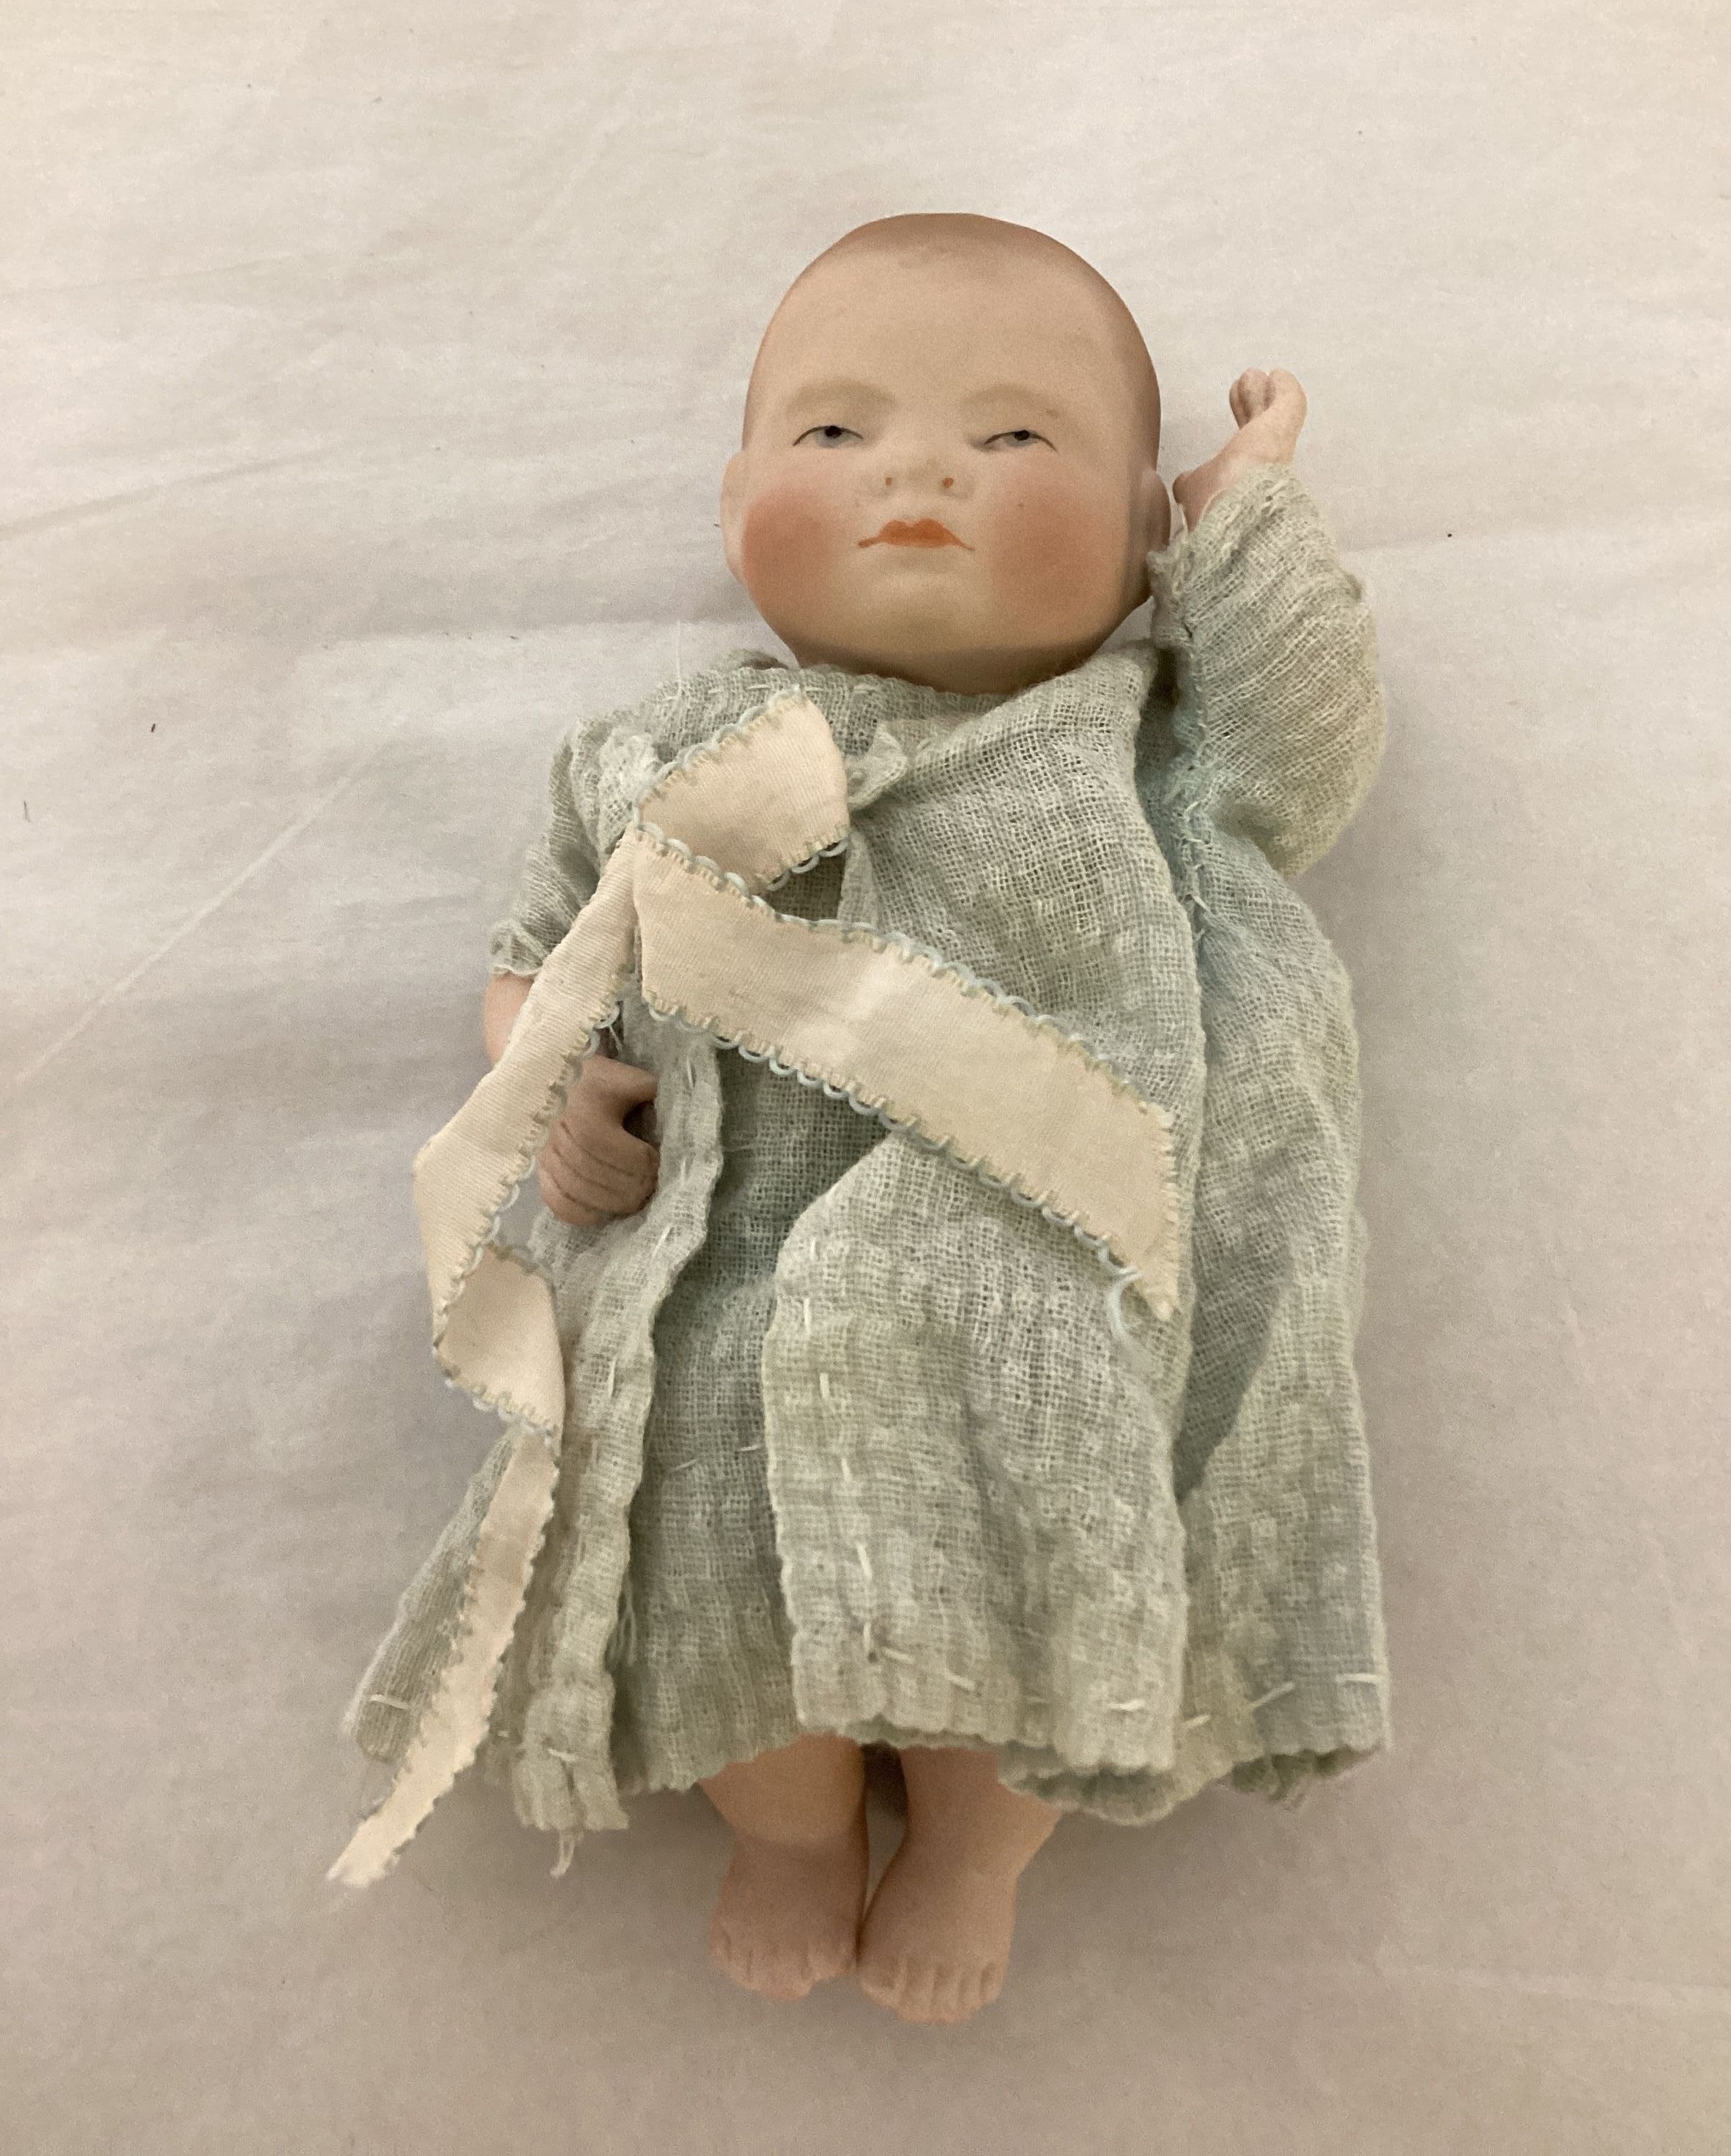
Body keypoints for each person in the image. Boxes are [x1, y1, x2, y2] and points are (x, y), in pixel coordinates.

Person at [341, 214, 1392, 2027]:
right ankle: (795, 1831)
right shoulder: (654, 755)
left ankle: (974, 1851)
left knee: (1046, 1604)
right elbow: (539, 964)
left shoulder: (1152, 748)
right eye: (834, 432)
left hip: (1046, 1291)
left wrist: (1245, 531)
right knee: (715, 1576)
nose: (918, 471)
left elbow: (1316, 744)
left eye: (1015, 436)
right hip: (724, 1283)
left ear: (1140, 528)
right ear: (733, 497)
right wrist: (561, 1083)